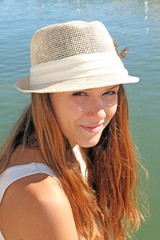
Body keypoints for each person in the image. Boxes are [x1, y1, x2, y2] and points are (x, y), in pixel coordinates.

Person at [0, 21, 143, 240]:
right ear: (45, 99)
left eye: (109, 92)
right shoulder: (41, 196)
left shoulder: (73, 145)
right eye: (79, 93)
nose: (99, 113)